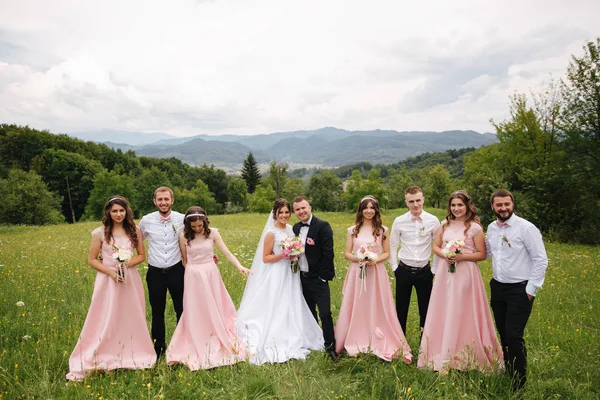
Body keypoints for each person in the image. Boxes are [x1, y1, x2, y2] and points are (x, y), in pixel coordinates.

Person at [66, 196, 155, 381]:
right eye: (114, 211)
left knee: (130, 315)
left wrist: (126, 264)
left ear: (126, 211)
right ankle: (102, 350)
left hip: (129, 279)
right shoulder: (100, 233)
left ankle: (132, 351)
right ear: (108, 212)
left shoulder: (134, 231)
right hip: (107, 280)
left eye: (121, 211)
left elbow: (141, 256)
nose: (118, 214)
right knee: (105, 315)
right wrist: (111, 272)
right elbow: (91, 260)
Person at [418, 190, 503, 373]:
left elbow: (482, 254)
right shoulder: (444, 224)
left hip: (466, 274)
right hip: (444, 274)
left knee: (463, 310)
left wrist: (461, 256)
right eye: (453, 205)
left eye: (460, 205)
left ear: (467, 206)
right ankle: (442, 351)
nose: (456, 208)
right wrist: (446, 254)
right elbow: (435, 246)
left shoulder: (475, 228)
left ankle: (466, 352)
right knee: (445, 309)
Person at [235, 199, 323, 364]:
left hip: (291, 273)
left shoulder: (291, 229)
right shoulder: (271, 233)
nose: (284, 215)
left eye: (286, 212)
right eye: (280, 212)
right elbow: (266, 258)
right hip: (276, 273)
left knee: (292, 301)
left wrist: (295, 254)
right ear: (275, 214)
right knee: (277, 303)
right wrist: (285, 255)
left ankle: (295, 331)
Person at [167, 207, 251, 370]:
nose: (197, 228)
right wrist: (194, 269)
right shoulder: (183, 236)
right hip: (193, 275)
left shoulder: (212, 233)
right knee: (196, 308)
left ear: (204, 222)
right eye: (194, 226)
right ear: (188, 224)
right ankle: (197, 335)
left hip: (211, 273)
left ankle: (217, 332)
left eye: (199, 225)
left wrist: (240, 266)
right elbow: (185, 260)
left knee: (215, 306)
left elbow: (226, 252)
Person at [334, 195, 412, 363]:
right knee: (357, 304)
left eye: (372, 208)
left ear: (376, 210)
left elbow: (387, 253)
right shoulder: (352, 230)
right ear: (361, 210)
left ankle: (378, 337)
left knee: (376, 304)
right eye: (365, 207)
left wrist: (374, 259)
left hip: (376, 273)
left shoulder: (382, 230)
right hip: (357, 272)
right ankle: (356, 337)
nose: (369, 211)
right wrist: (360, 259)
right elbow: (347, 253)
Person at [486, 189, 548, 392]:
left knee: (514, 336)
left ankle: (519, 383)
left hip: (520, 290)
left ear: (512, 204)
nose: (503, 208)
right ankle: (509, 370)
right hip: (497, 287)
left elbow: (541, 259)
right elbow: (487, 253)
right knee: (503, 334)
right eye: (499, 205)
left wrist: (530, 290)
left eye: (506, 204)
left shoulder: (526, 228)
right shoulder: (491, 228)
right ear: (493, 206)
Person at [138, 187, 185, 358]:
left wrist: (209, 254)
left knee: (181, 309)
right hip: (155, 272)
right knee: (157, 311)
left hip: (177, 270)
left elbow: (193, 238)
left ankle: (182, 345)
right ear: (155, 201)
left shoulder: (182, 218)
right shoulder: (146, 220)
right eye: (160, 200)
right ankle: (159, 349)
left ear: (172, 200)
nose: (163, 203)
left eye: (166, 199)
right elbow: (135, 240)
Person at [389, 186, 440, 338]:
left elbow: (438, 245)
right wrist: (394, 267)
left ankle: (425, 343)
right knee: (401, 309)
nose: (415, 204)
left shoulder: (433, 221)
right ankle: (400, 342)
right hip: (403, 270)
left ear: (423, 199)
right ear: (406, 202)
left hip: (425, 272)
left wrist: (434, 270)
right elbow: (392, 245)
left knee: (425, 310)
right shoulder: (399, 221)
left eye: (418, 200)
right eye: (411, 201)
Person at [292, 196, 337, 361]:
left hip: (318, 278)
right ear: (294, 212)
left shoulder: (322, 226)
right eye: (297, 209)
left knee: (325, 313)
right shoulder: (295, 228)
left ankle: (330, 346)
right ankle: (313, 342)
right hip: (301, 278)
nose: (301, 212)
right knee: (309, 313)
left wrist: (322, 277)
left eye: (303, 208)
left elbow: (328, 253)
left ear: (310, 207)